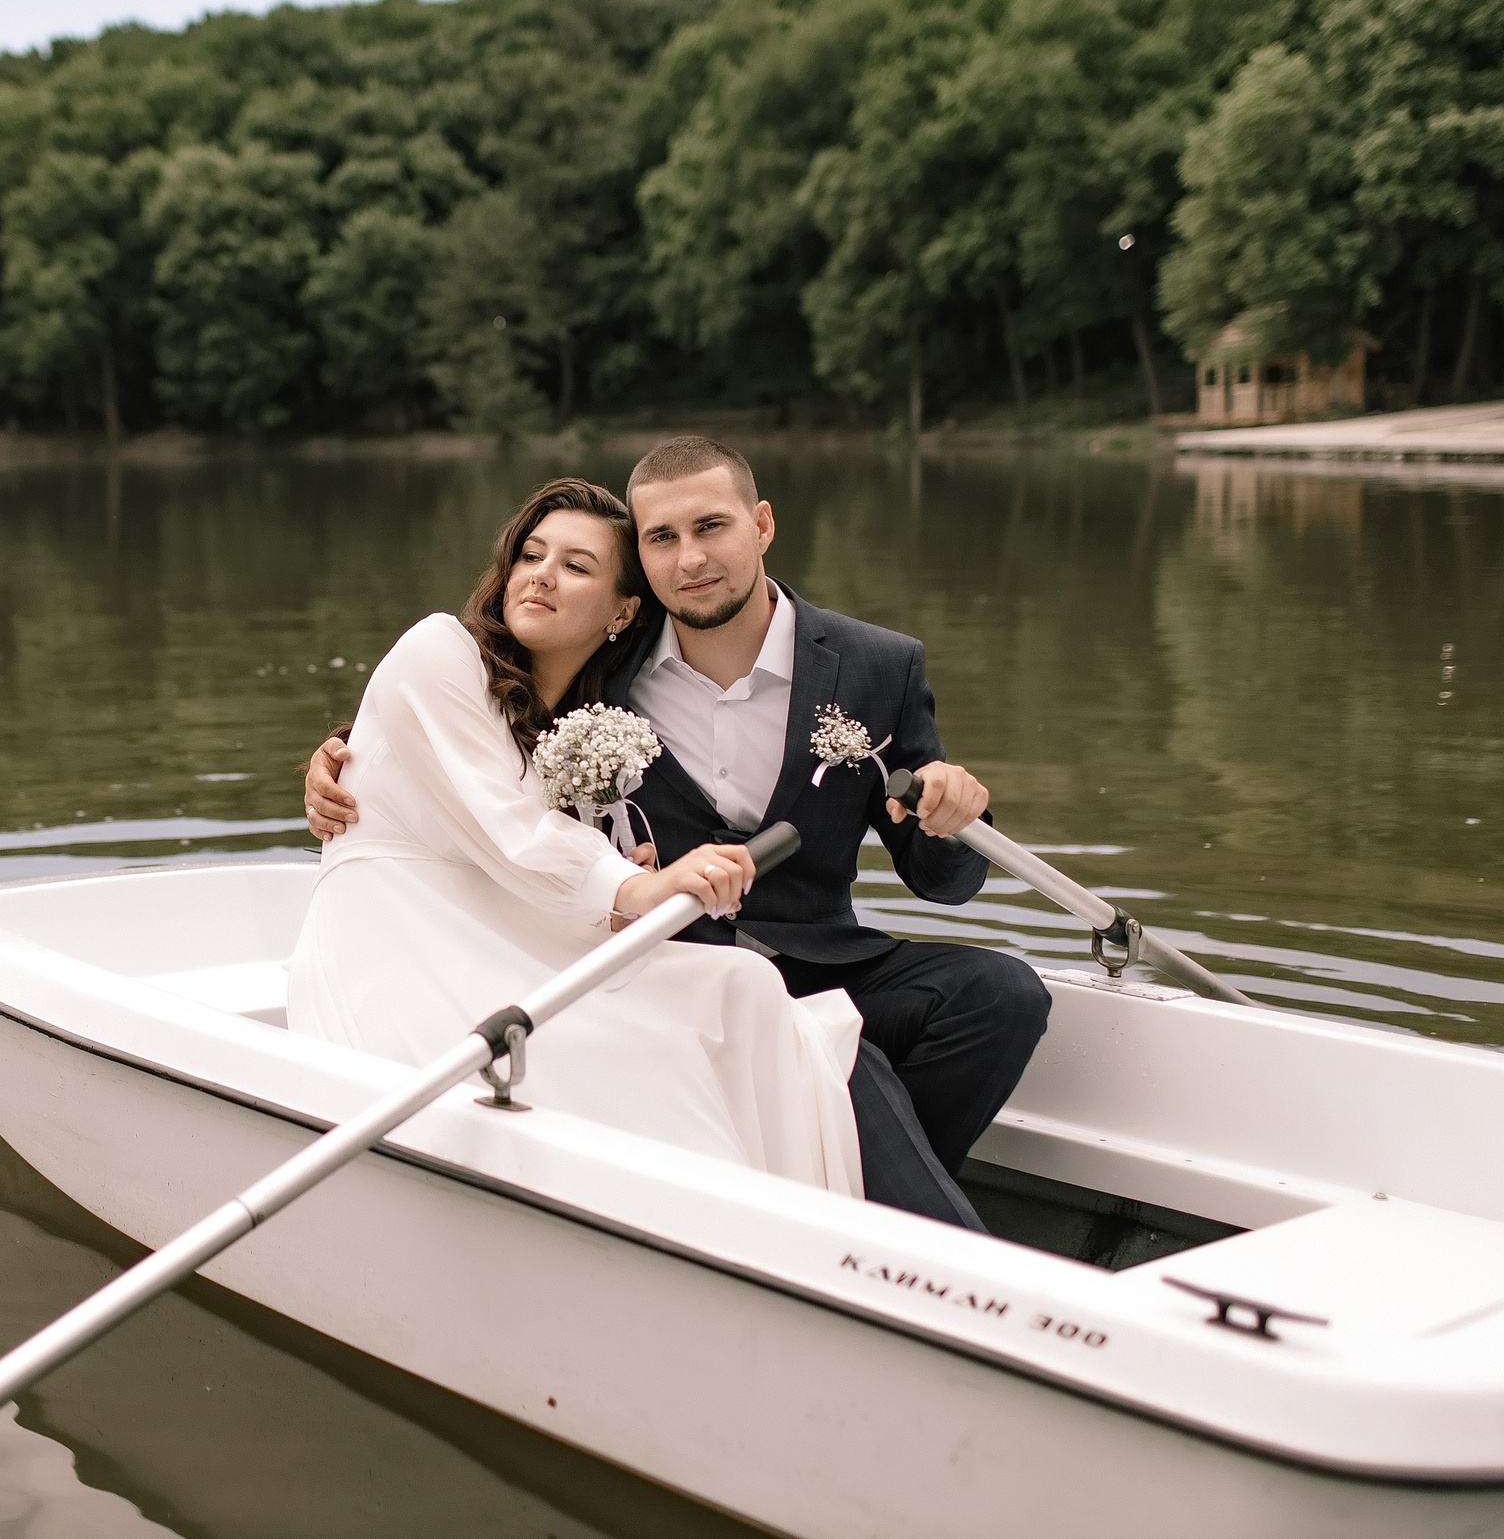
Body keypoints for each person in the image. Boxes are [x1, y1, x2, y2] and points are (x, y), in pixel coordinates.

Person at [311, 437, 1047, 1185]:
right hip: (675, 960)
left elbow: (944, 881)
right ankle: (882, 1220)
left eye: (711, 528)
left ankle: (867, 1204)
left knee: (1003, 994)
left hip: (824, 960)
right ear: (641, 574)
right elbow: (480, 742)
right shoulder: (603, 671)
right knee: (840, 1064)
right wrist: (348, 749)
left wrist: (955, 817)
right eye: (662, 538)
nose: (689, 559)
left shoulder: (877, 666)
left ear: (761, 524)